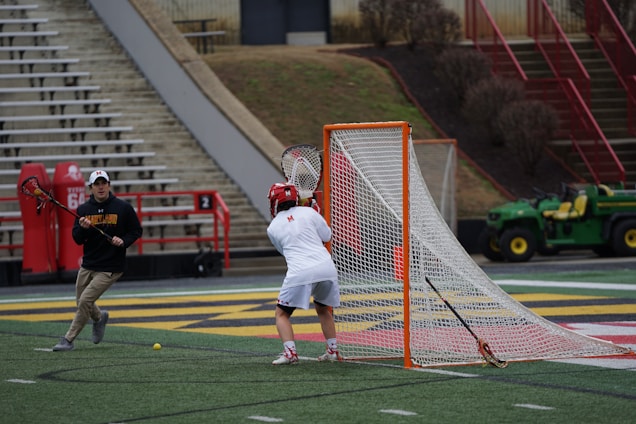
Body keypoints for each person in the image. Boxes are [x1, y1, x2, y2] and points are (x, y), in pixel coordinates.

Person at [52, 170, 143, 351]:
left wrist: (123, 241)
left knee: (85, 301)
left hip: (111, 266)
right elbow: (77, 239)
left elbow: (136, 231)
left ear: (109, 185)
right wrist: (84, 228)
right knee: (81, 301)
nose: (101, 187)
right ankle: (100, 318)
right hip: (88, 264)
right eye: (97, 184)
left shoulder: (123, 208)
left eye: (104, 183)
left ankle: (68, 339)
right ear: (91, 188)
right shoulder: (84, 210)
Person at [266, 182, 341, 365]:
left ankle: (290, 353)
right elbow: (327, 237)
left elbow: (285, 251)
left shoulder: (273, 227)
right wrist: (315, 212)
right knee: (323, 310)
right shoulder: (310, 213)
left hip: (300, 270)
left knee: (281, 314)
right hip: (326, 267)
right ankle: (332, 351)